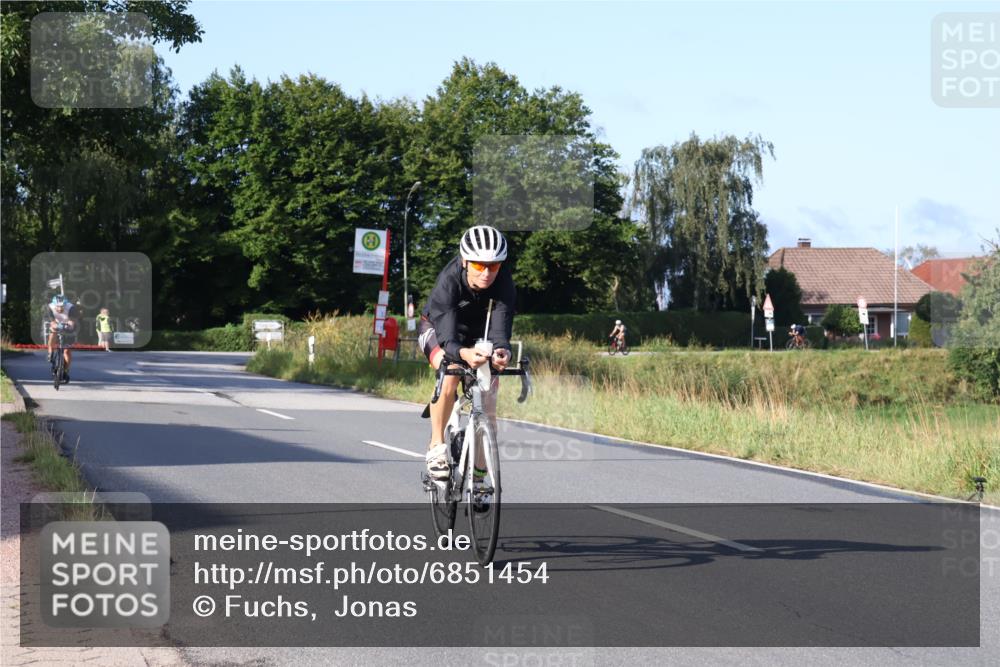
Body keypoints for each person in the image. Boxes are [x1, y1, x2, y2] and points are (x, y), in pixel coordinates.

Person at [418, 225, 515, 480]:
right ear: (465, 261)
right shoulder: (449, 281)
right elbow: (448, 339)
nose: (486, 273)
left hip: (476, 333)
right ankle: (436, 448)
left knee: (489, 394)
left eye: (493, 266)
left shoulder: (503, 281)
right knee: (449, 370)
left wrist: (502, 350)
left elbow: (500, 327)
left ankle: (480, 474)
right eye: (479, 265)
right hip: (439, 329)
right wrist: (463, 354)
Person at [43, 295, 80, 382]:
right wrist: (55, 325)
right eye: (58, 307)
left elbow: (72, 323)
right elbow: (52, 322)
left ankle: (66, 370)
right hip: (56, 323)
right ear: (54, 305)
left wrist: (68, 326)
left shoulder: (71, 308)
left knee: (67, 351)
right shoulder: (49, 307)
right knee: (53, 331)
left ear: (65, 305)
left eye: (62, 307)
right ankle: (50, 352)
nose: (59, 309)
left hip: (68, 324)